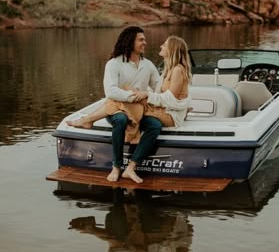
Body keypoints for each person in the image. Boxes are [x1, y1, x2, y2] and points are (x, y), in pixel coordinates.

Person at [67, 32, 191, 184]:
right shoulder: (114, 64)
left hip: (153, 110)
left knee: (153, 123)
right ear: (130, 42)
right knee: (121, 117)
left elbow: (163, 92)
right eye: (141, 40)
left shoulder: (151, 65)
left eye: (164, 44)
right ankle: (117, 166)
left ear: (172, 50)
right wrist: (135, 96)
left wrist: (143, 96)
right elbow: (111, 92)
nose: (146, 43)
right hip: (117, 109)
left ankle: (87, 120)